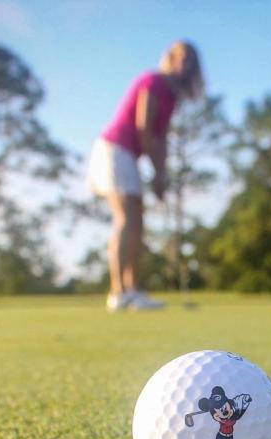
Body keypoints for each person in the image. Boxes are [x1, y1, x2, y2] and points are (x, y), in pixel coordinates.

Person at [87, 41, 204, 311]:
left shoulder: (171, 97)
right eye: (182, 58)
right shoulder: (154, 81)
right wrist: (155, 170)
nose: (186, 64)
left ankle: (132, 289)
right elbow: (144, 128)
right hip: (115, 149)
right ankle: (118, 292)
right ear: (171, 59)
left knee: (137, 221)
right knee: (126, 217)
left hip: (128, 154)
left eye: (191, 61)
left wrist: (161, 175)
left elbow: (160, 139)